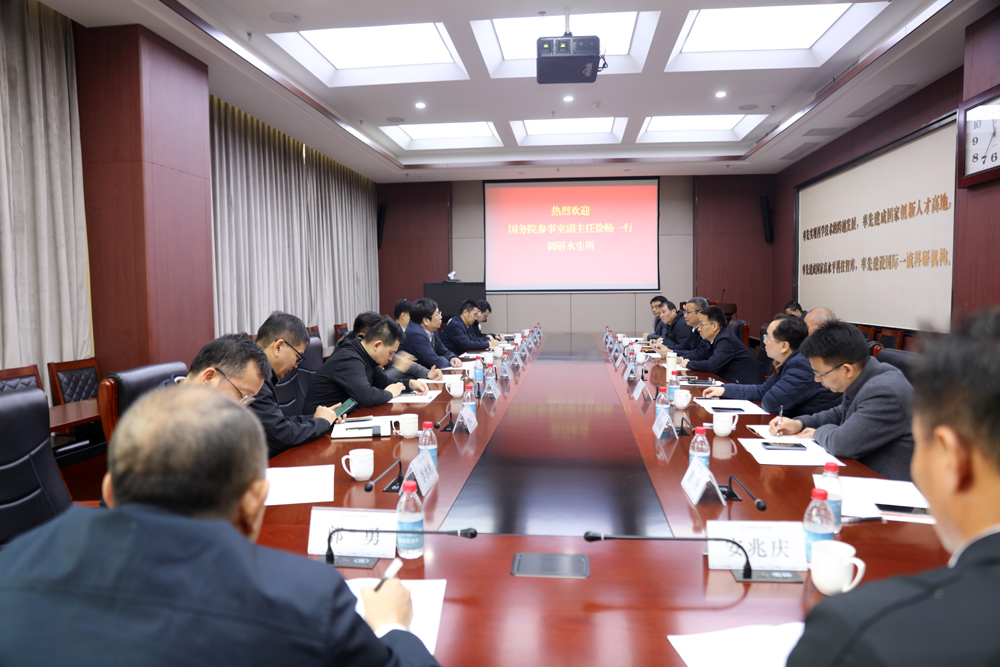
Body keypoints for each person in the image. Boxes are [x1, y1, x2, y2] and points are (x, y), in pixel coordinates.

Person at [0, 386, 439, 666]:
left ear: (109, 491)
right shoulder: (308, 599)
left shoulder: (11, 565)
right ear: (253, 501)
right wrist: (392, 626)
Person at [787, 308, 1000, 666]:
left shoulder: (855, 631)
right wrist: (805, 424)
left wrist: (816, 432)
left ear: (951, 457)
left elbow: (843, 439)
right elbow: (840, 416)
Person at [769, 320, 914, 480]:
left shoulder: (884, 391)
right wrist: (800, 423)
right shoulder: (863, 376)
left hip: (885, 484)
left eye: (819, 374)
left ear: (847, 369)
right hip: (860, 469)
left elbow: (841, 444)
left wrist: (818, 432)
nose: (817, 380)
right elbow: (839, 413)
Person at [702, 315, 840, 416]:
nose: (764, 342)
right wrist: (724, 389)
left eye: (767, 338)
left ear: (784, 346)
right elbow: (762, 390)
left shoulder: (801, 365)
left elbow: (771, 403)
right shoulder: (790, 360)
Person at [248, 311, 341, 458]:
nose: (296, 365)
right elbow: (282, 435)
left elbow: (278, 423)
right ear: (278, 347)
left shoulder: (257, 369)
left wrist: (317, 418)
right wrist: (321, 423)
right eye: (297, 356)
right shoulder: (252, 379)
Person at [305, 317, 428, 412]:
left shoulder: (367, 355)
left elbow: (382, 382)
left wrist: (409, 384)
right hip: (321, 424)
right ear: (377, 345)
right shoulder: (349, 358)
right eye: (390, 353)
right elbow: (367, 396)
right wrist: (389, 393)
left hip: (344, 416)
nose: (391, 358)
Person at [162, 332, 268, 406]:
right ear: (209, 378)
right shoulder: (160, 420)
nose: (242, 408)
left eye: (248, 400)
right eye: (242, 396)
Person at [344, 311, 444, 385]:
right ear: (364, 335)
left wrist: (428, 373)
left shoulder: (376, 348)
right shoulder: (349, 356)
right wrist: (398, 369)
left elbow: (404, 363)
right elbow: (373, 383)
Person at [680, 305, 764, 384]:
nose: (699, 329)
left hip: (747, 387)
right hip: (732, 382)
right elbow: (703, 356)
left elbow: (711, 365)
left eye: (701, 325)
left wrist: (689, 364)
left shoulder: (726, 340)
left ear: (714, 326)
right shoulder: (716, 337)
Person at [399, 298, 462, 370]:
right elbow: (435, 363)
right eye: (437, 314)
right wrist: (449, 362)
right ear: (426, 321)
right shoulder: (416, 335)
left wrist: (452, 358)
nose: (441, 317)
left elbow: (443, 351)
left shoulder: (432, 330)